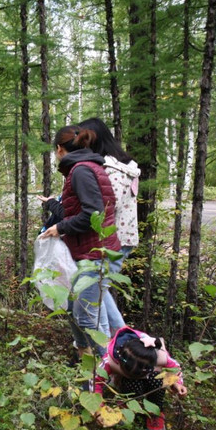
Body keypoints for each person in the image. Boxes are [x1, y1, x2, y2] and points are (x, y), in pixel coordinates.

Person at [39, 126, 122, 357]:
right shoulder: (87, 167)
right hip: (94, 253)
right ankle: (112, 367)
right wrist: (54, 207)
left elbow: (93, 215)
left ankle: (107, 371)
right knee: (93, 314)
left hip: (95, 256)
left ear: (59, 149)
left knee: (89, 317)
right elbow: (78, 210)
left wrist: (59, 227)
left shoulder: (80, 171)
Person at [76, 118, 140, 333]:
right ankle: (125, 341)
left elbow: (105, 208)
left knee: (91, 300)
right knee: (99, 294)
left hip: (112, 243)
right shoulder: (122, 167)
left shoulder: (114, 170)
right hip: (118, 240)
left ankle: (106, 357)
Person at [93, 326, 187, 430]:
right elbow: (96, 381)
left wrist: (177, 383)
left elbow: (175, 369)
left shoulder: (160, 356)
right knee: (132, 381)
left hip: (151, 375)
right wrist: (98, 408)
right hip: (124, 379)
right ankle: (127, 402)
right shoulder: (109, 360)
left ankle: (155, 409)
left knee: (158, 379)